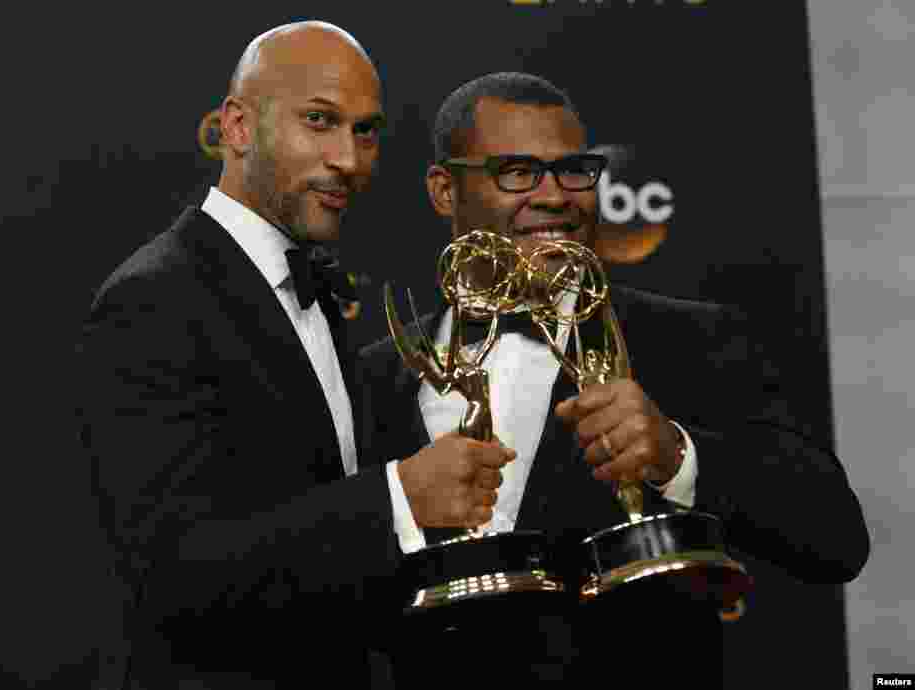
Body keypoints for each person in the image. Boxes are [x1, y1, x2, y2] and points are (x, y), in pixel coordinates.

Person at [354, 72, 871, 686]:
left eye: (573, 170)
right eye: (517, 171)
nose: (554, 196)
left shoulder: (691, 342)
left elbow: (834, 537)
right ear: (444, 189)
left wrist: (678, 457)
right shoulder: (373, 377)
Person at [76, 23, 515, 690]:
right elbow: (175, 576)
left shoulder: (309, 285)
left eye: (366, 132)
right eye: (320, 121)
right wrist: (400, 496)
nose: (349, 159)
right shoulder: (155, 298)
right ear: (237, 126)